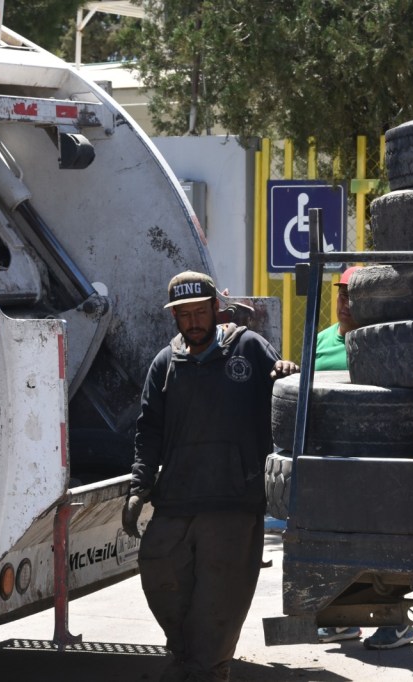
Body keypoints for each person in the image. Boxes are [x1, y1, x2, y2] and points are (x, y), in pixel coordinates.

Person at [122, 270, 299, 682]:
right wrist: (138, 486)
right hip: (177, 498)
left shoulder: (249, 348)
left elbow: (284, 402)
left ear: (216, 309)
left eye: (200, 312)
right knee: (159, 571)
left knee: (220, 598)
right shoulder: (165, 363)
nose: (193, 322)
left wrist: (286, 374)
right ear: (175, 317)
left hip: (233, 501)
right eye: (184, 315)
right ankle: (188, 657)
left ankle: (207, 669)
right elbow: (148, 431)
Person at [312, 265, 413, 650]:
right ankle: (344, 619)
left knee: (384, 544)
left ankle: (398, 624)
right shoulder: (320, 341)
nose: (346, 303)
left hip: (380, 458)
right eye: (342, 294)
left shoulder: (391, 343)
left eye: (355, 296)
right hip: (333, 457)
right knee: (337, 543)